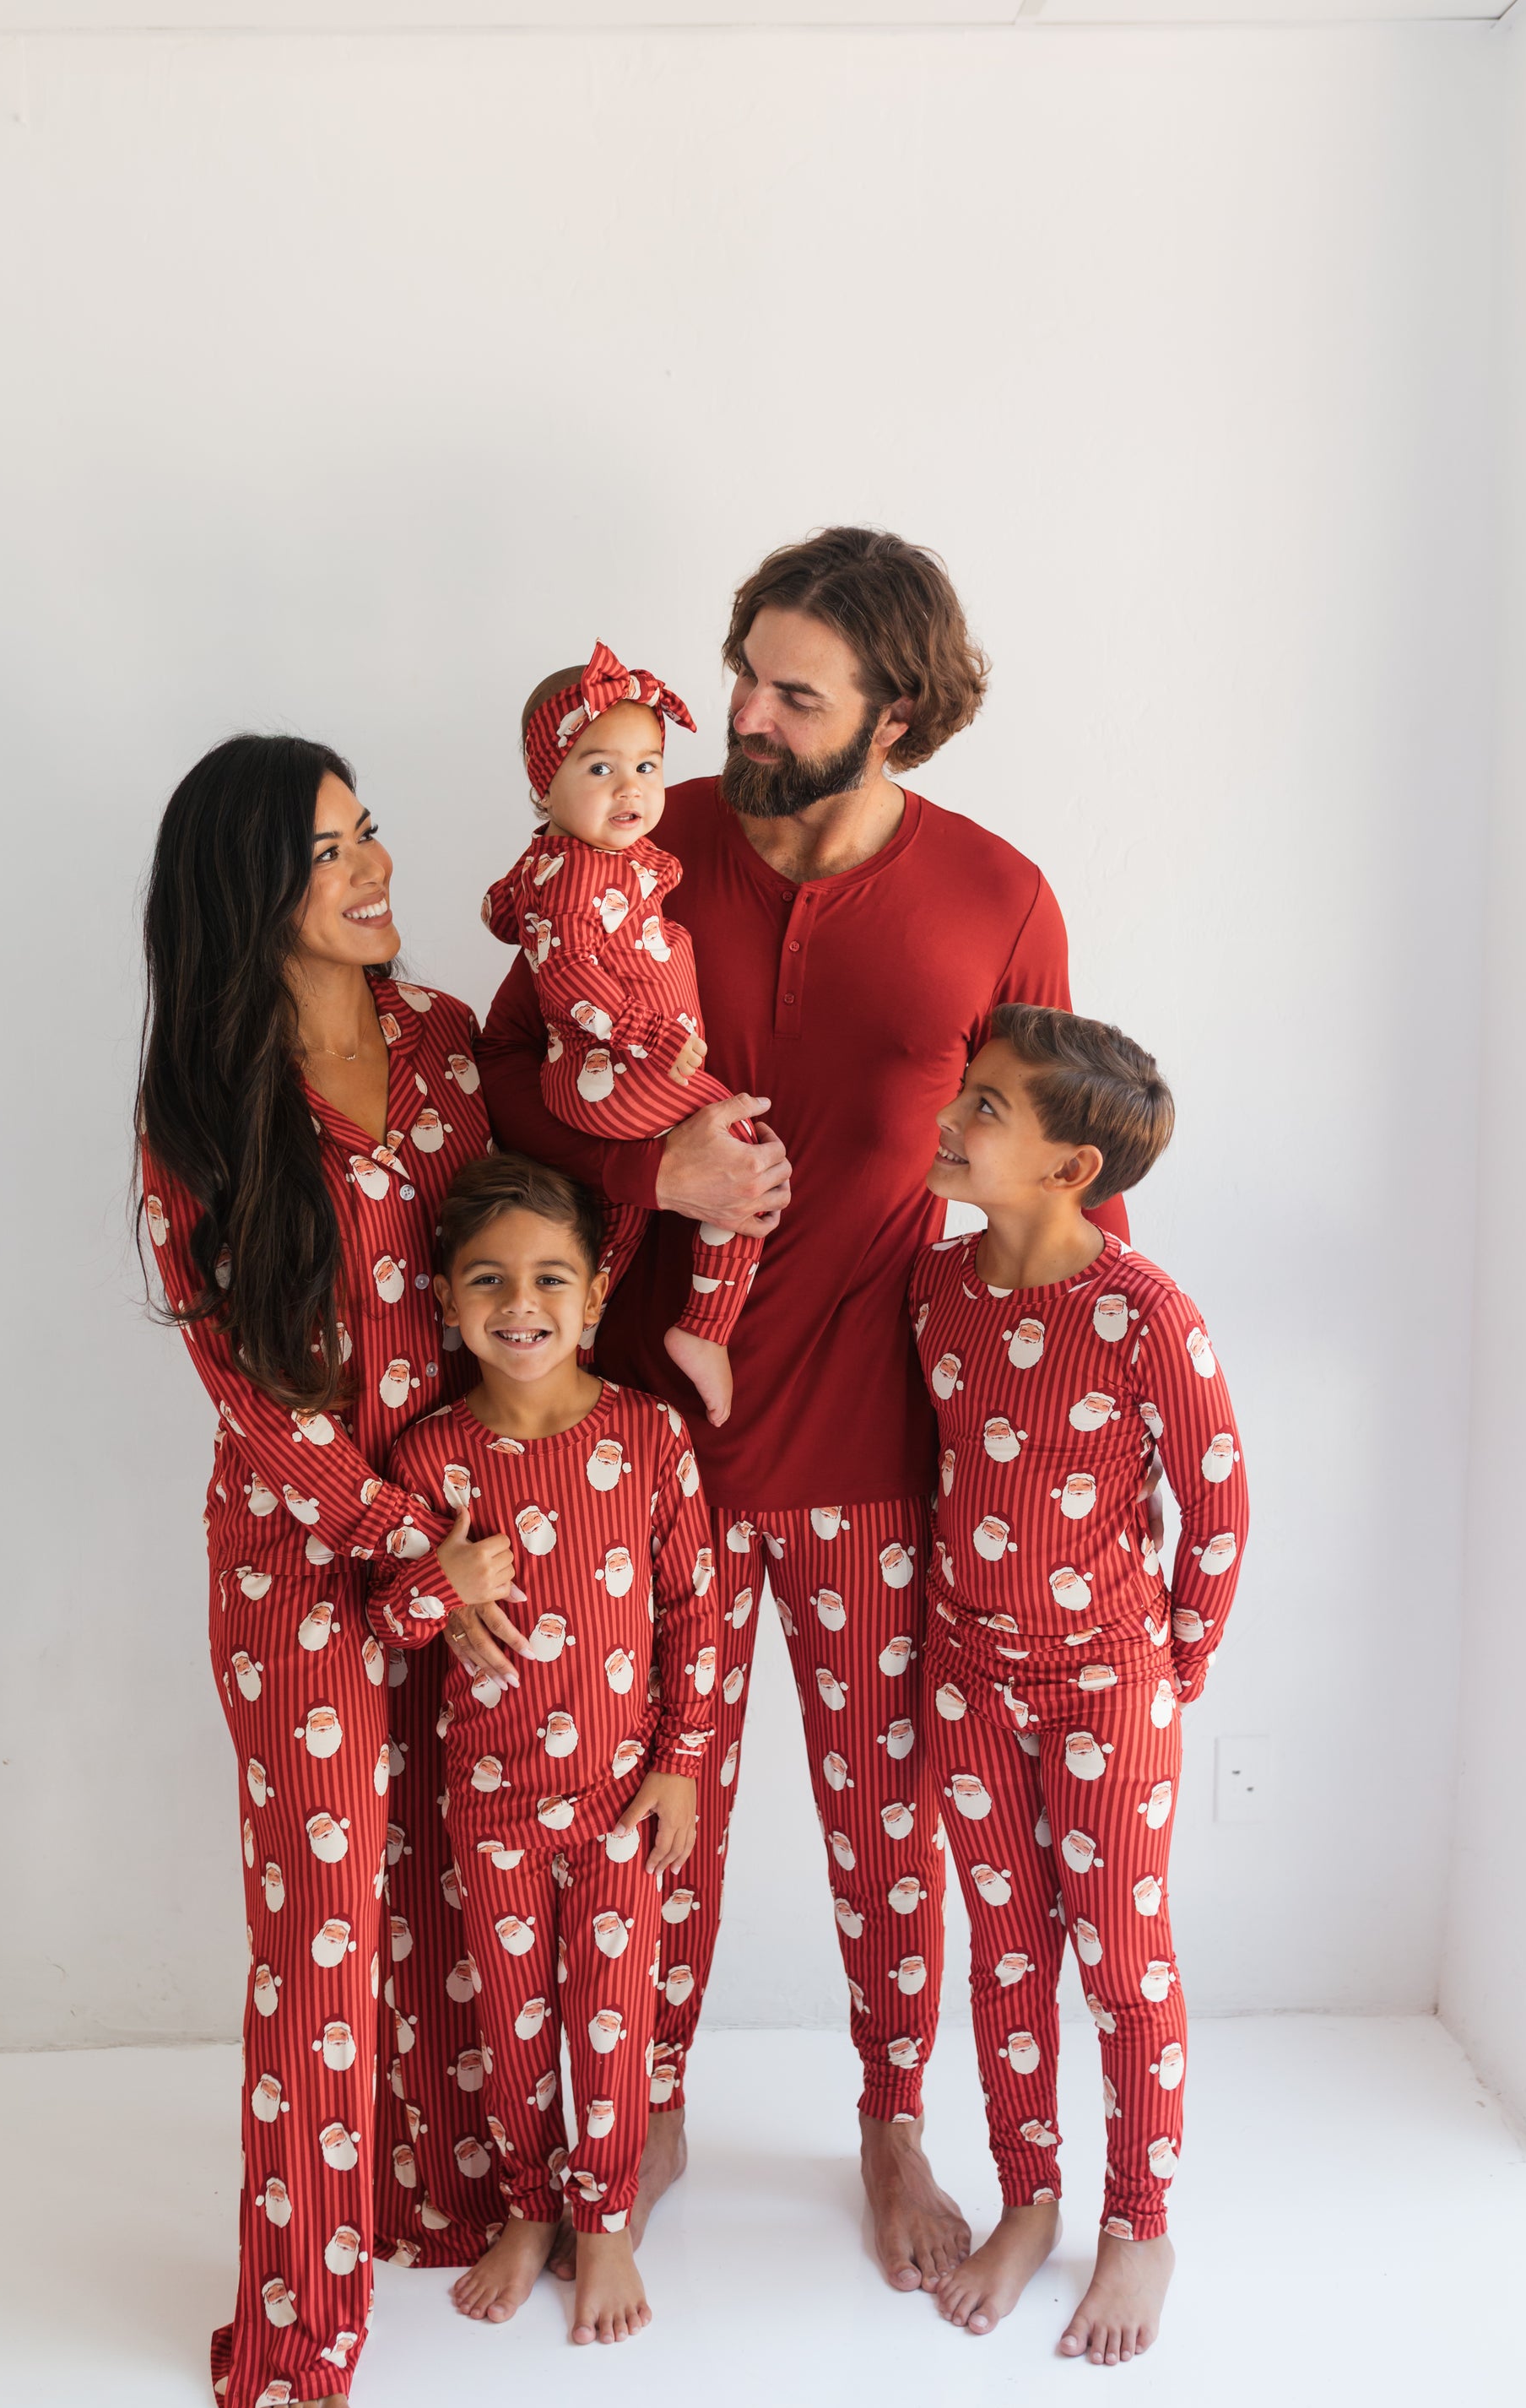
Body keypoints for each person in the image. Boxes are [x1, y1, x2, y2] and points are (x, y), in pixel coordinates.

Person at [478, 527, 1129, 2292]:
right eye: (741, 674)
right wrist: (651, 1179)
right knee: (646, 1800)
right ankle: (645, 2106)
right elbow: (496, 1085)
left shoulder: (996, 895)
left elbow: (1058, 1175)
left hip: (877, 1444)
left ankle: (891, 2123)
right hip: (642, 1436)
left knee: (883, 1812)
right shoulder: (637, 842)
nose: (741, 717)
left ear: (893, 716)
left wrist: (1092, 1436)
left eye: (791, 694)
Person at [138, 735, 504, 2408]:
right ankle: (297, 2324)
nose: (373, 871)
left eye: (368, 835)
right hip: (306, 1564)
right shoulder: (203, 1109)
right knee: (325, 1928)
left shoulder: (444, 1039)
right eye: (328, 852)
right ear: (249, 895)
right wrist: (400, 1537)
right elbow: (249, 1391)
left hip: (469, 1535)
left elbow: (521, 1253)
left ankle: (430, 2200)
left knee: (446, 1881)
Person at [912, 1006, 1249, 2362]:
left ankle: (1140, 2223)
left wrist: (1173, 1669)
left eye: (985, 1107)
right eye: (965, 1091)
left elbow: (1217, 1505)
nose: (951, 1117)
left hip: (1108, 1685)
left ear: (1070, 1169)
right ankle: (1029, 2198)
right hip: (966, 1680)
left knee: (1121, 1959)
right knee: (1006, 1953)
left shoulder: (1146, 1314)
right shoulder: (934, 1289)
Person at [365, 1153, 717, 2344]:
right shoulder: (429, 1458)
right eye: (489, 1280)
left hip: (621, 1801)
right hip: (491, 1804)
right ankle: (527, 2207)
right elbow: (386, 1623)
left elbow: (696, 1616)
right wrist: (442, 1579)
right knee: (509, 2028)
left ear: (597, 1295)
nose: (521, 1304)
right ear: (447, 1300)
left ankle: (604, 2219)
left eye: (550, 1278)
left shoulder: (649, 1438)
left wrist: (680, 1763)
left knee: (611, 2018)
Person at [484, 642, 766, 1429]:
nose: (631, 788)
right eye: (600, 768)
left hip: (608, 1071)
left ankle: (574, 1349)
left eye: (647, 766)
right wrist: (651, 1037)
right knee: (740, 1151)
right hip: (612, 1068)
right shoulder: (576, 878)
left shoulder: (579, 859)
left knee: (620, 1219)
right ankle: (705, 1328)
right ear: (546, 785)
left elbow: (509, 912)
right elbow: (571, 982)